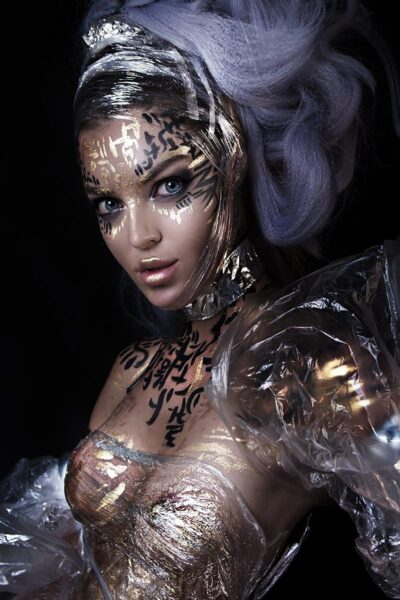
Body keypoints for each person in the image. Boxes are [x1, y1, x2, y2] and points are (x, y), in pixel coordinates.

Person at [0, 1, 399, 598]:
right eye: (108, 204)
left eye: (170, 184)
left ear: (233, 158)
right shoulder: (133, 370)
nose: (138, 237)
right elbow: (58, 560)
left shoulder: (307, 357)